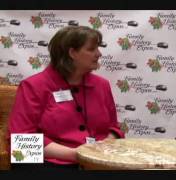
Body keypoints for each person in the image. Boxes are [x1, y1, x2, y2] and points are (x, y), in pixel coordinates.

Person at [7, 26, 124, 169]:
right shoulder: (33, 86)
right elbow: (21, 141)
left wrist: (106, 144)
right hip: (52, 162)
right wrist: (76, 154)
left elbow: (114, 128)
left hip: (98, 161)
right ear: (72, 53)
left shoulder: (102, 85)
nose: (99, 54)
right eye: (91, 49)